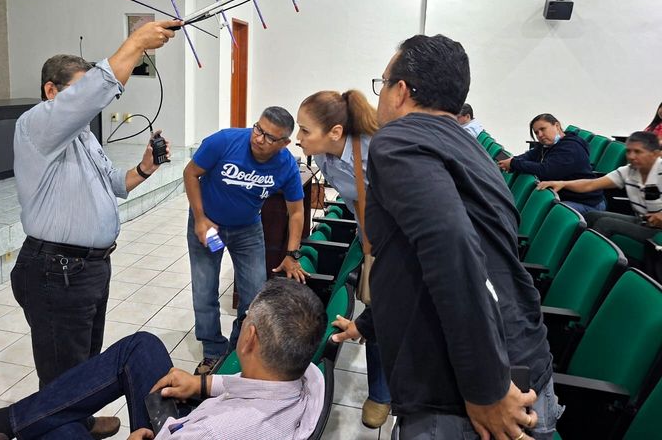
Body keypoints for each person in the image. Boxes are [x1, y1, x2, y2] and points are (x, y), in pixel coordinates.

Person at [332, 34, 559, 440]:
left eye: (382, 83)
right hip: (521, 362)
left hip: (469, 395)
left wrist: (485, 387)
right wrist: (370, 323)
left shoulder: (398, 139)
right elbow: (417, 257)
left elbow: (452, 246)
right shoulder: (469, 149)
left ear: (400, 91)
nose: (380, 95)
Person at [11, 19, 180, 438]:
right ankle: (55, 429)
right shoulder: (35, 126)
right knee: (60, 376)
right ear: (52, 92)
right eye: (79, 92)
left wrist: (147, 166)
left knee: (85, 364)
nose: (90, 106)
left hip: (88, 269)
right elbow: (93, 93)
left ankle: (79, 421)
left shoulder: (82, 137)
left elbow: (115, 184)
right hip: (56, 270)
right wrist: (137, 42)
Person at [0, 278, 327, 440]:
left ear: (250, 338)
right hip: (192, 419)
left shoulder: (218, 431)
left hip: (183, 430)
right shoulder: (307, 376)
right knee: (142, 347)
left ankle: (1, 425)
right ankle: (13, 422)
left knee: (58, 429)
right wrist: (204, 383)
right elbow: (261, 389)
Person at [183, 107, 307, 375]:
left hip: (247, 231)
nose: (258, 138)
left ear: (284, 143)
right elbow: (190, 174)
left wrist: (292, 254)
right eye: (258, 128)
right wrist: (200, 218)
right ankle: (212, 351)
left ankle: (239, 347)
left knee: (253, 295)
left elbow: (296, 212)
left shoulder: (286, 164)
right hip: (210, 227)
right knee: (205, 291)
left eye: (269, 137)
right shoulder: (224, 141)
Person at [296, 89, 392, 429]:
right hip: (369, 238)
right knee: (376, 311)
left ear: (335, 132)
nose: (298, 137)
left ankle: (383, 393)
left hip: (399, 242)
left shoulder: (376, 153)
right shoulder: (324, 157)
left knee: (389, 315)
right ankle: (382, 389)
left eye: (305, 130)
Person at [538, 130, 662, 250]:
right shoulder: (629, 171)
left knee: (606, 224)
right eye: (628, 151)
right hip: (643, 221)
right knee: (591, 216)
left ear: (655, 154)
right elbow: (590, 185)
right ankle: (569, 256)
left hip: (658, 230)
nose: (631, 156)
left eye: (638, 152)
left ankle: (587, 262)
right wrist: (562, 184)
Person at [498, 113, 605, 214]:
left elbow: (547, 171)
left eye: (543, 129)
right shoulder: (547, 145)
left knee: (549, 213)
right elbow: (529, 156)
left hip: (586, 202)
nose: (540, 135)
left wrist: (514, 163)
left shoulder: (571, 148)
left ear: (557, 126)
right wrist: (509, 163)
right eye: (536, 132)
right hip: (564, 197)